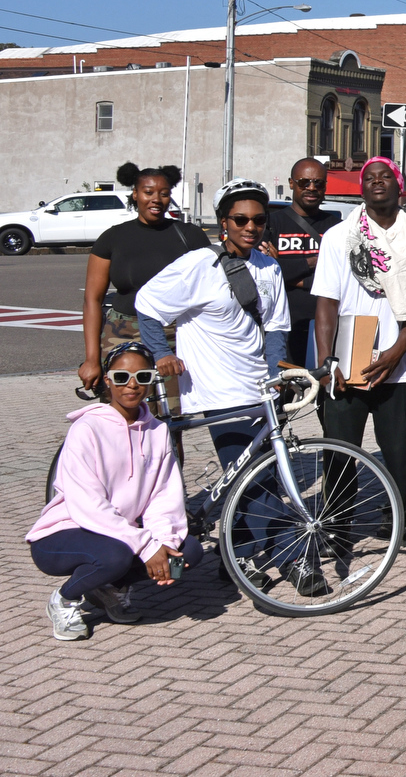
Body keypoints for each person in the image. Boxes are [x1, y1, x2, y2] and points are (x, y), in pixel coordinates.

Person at [134, 179, 305, 592]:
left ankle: (237, 560)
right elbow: (147, 303)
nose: (251, 227)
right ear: (223, 222)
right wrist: (160, 353)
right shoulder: (199, 265)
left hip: (257, 389)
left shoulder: (268, 267)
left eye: (259, 220)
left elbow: (277, 327)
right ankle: (297, 555)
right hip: (216, 391)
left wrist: (275, 373)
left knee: (254, 479)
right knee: (247, 477)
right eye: (240, 219)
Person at [28, 341, 203, 641]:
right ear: (108, 380)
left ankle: (109, 589)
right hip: (63, 532)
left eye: (142, 377)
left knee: (187, 554)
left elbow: (164, 496)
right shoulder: (87, 429)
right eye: (121, 378)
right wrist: (146, 548)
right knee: (117, 556)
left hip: (119, 534)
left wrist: (163, 543)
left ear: (151, 380)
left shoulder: (158, 431)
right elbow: (88, 505)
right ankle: (65, 598)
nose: (132, 386)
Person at [312, 157, 406, 549]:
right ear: (360, 188)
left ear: (399, 187)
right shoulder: (340, 236)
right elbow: (326, 303)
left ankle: (399, 517)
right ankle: (336, 521)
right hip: (351, 349)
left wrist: (400, 348)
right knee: (341, 445)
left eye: (385, 177)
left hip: (399, 356)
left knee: (398, 447)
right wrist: (325, 361)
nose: (377, 183)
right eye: (370, 178)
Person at [81, 162, 211, 393]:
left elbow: (208, 291)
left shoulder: (190, 236)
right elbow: (92, 299)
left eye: (164, 194)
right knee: (123, 408)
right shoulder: (112, 238)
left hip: (175, 334)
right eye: (148, 192)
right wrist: (91, 359)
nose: (156, 199)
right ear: (135, 194)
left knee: (170, 414)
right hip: (122, 332)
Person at [264, 157, 343, 365]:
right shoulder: (271, 224)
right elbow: (267, 275)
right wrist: (315, 261)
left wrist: (287, 271)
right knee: (288, 393)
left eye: (319, 183)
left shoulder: (338, 228)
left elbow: (344, 277)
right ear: (291, 183)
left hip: (330, 327)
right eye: (304, 182)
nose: (311, 188)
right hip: (284, 327)